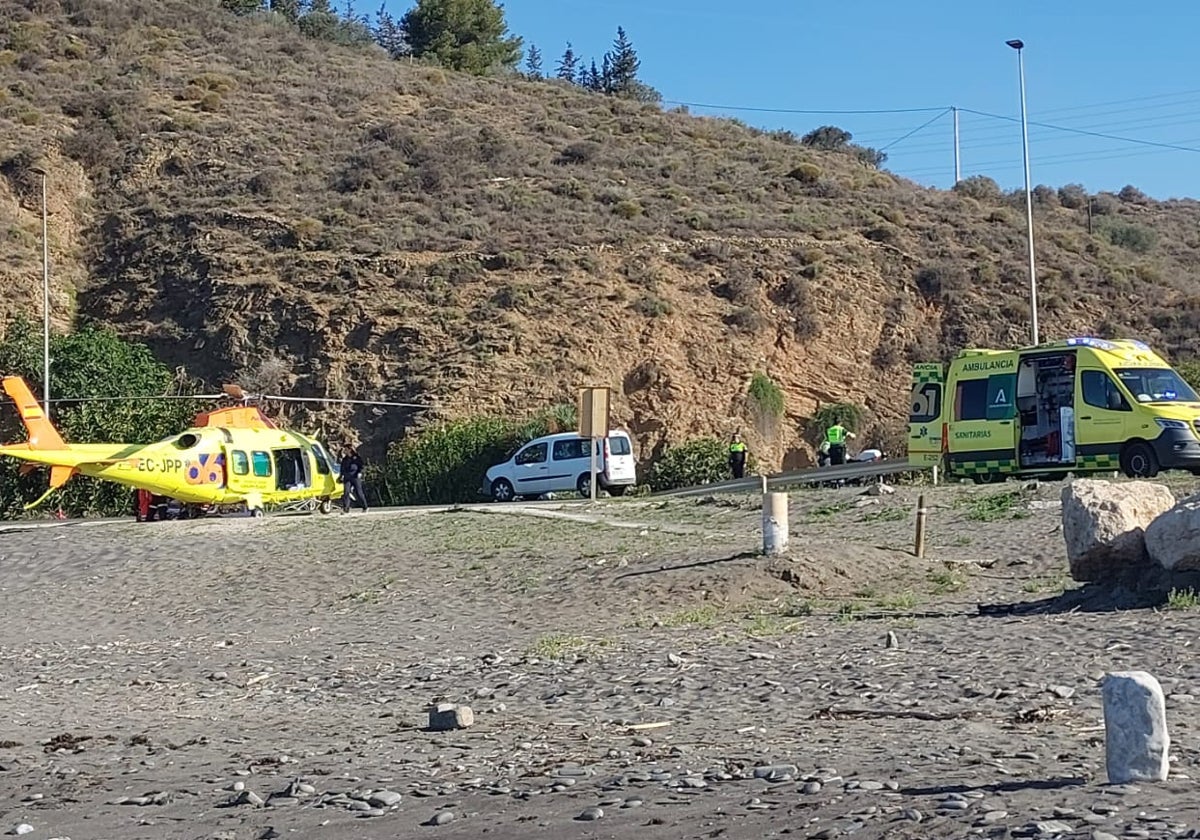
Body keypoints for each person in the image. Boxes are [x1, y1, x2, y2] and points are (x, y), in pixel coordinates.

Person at [339, 447, 368, 513]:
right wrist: (341, 476)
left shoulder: (356, 458)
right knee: (346, 492)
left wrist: (360, 472)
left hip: (355, 477)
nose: (345, 451)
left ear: (350, 450)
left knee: (359, 493)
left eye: (346, 449)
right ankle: (346, 509)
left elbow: (361, 466)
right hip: (347, 477)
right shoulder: (345, 459)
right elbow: (342, 468)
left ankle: (365, 507)